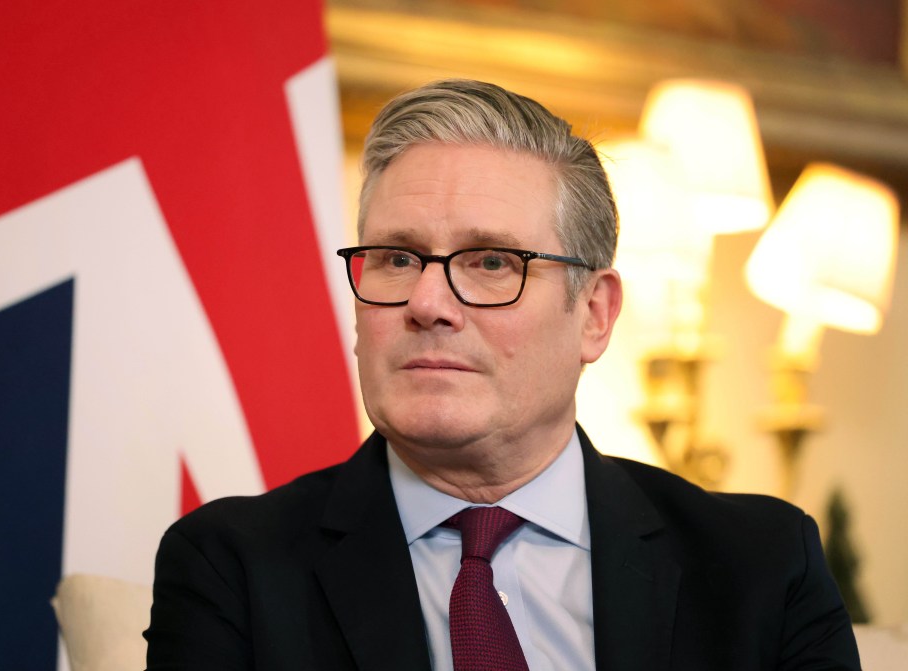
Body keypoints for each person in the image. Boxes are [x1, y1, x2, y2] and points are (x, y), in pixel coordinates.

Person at [145, 79, 860, 670]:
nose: (426, 303)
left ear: (594, 314)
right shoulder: (232, 566)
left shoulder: (761, 566)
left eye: (491, 263)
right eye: (396, 258)